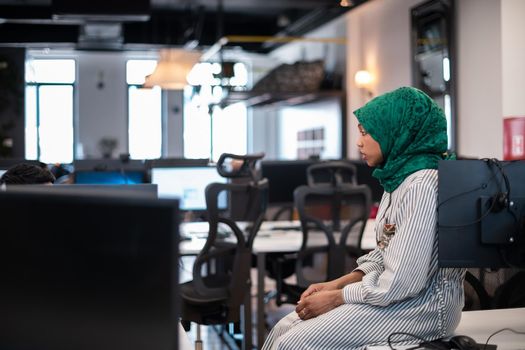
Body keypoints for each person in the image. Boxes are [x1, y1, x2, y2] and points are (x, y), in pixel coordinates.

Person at [262, 87, 466, 349]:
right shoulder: (398, 179)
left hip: (423, 309)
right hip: (396, 298)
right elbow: (384, 254)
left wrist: (338, 297)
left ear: (395, 131)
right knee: (285, 326)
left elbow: (401, 283)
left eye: (366, 133)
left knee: (293, 343)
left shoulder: (422, 184)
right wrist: (336, 284)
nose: (359, 142)